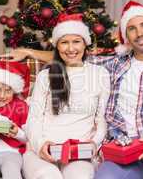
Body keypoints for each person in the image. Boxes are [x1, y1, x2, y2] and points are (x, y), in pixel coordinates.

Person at [8, 1, 143, 179]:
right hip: (123, 148)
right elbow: (71, 55)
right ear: (126, 36)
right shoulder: (112, 64)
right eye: (131, 28)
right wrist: (28, 51)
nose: (139, 33)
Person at [23, 13, 110, 179]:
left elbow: (102, 120)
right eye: (64, 42)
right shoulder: (45, 76)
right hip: (42, 151)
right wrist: (40, 145)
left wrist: (94, 143)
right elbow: (33, 118)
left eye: (76, 41)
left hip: (79, 153)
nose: (71, 49)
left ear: (85, 44)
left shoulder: (100, 74)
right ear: (57, 46)